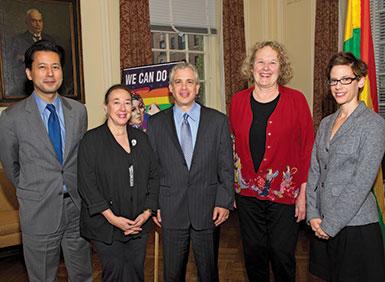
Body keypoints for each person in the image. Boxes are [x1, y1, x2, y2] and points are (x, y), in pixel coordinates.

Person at [0, 40, 92, 281]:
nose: (50, 73)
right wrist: (33, 191)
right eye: (42, 67)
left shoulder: (79, 111)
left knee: (82, 274)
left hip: (76, 207)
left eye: (56, 66)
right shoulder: (11, 118)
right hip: (38, 211)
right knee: (42, 277)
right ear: (29, 73)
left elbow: (81, 158)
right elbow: (11, 167)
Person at [229, 41, 314, 282]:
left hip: (285, 194)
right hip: (246, 195)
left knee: (281, 254)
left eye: (272, 62)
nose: (266, 68)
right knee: (254, 254)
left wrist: (304, 193)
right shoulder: (237, 101)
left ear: (281, 67)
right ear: (251, 66)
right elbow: (233, 145)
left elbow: (308, 148)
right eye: (260, 62)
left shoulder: (297, 100)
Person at [147, 62, 234, 281]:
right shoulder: (156, 123)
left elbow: (226, 165)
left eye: (190, 82)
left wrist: (223, 201)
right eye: (178, 82)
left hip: (207, 209)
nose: (184, 87)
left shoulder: (218, 121)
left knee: (208, 273)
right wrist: (154, 204)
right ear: (170, 88)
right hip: (170, 208)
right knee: (173, 273)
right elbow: (152, 168)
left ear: (197, 88)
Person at [306, 52, 385, 282]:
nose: (338, 86)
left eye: (345, 80)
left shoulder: (374, 125)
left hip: (355, 226)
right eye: (333, 80)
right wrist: (312, 213)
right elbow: (315, 170)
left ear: (360, 81)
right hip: (322, 224)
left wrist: (330, 224)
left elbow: (361, 182)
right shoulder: (326, 123)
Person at [78, 84, 159, 282]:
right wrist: (113, 219)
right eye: (116, 102)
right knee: (114, 273)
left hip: (138, 223)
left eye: (127, 103)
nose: (123, 108)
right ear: (106, 107)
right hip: (105, 224)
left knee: (135, 273)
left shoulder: (142, 138)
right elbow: (86, 184)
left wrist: (147, 212)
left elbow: (154, 176)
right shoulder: (91, 140)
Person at [4, 8, 55, 97]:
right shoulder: (18, 40)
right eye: (34, 21)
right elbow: (11, 64)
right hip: (26, 88)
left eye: (40, 21)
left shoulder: (50, 40)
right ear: (27, 23)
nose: (38, 24)